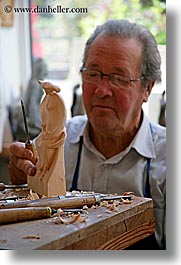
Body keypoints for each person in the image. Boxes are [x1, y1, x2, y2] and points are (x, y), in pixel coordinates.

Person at [8, 20, 166, 249]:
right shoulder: (56, 140)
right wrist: (21, 180)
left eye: (119, 78)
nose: (101, 91)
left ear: (147, 89)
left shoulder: (169, 158)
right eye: (93, 73)